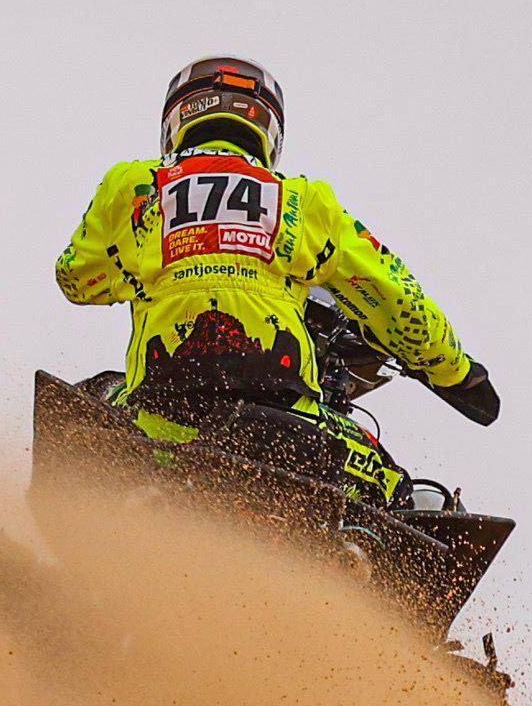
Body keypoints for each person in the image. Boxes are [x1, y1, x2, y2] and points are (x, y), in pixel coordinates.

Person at [54, 54, 498, 500]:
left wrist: (143, 271)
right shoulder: (304, 201)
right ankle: (367, 546)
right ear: (269, 131)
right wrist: (457, 374)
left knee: (84, 402)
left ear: (176, 120)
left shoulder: (134, 186)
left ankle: (78, 514)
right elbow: (395, 295)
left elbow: (75, 277)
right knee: (406, 494)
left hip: (161, 411)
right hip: (290, 421)